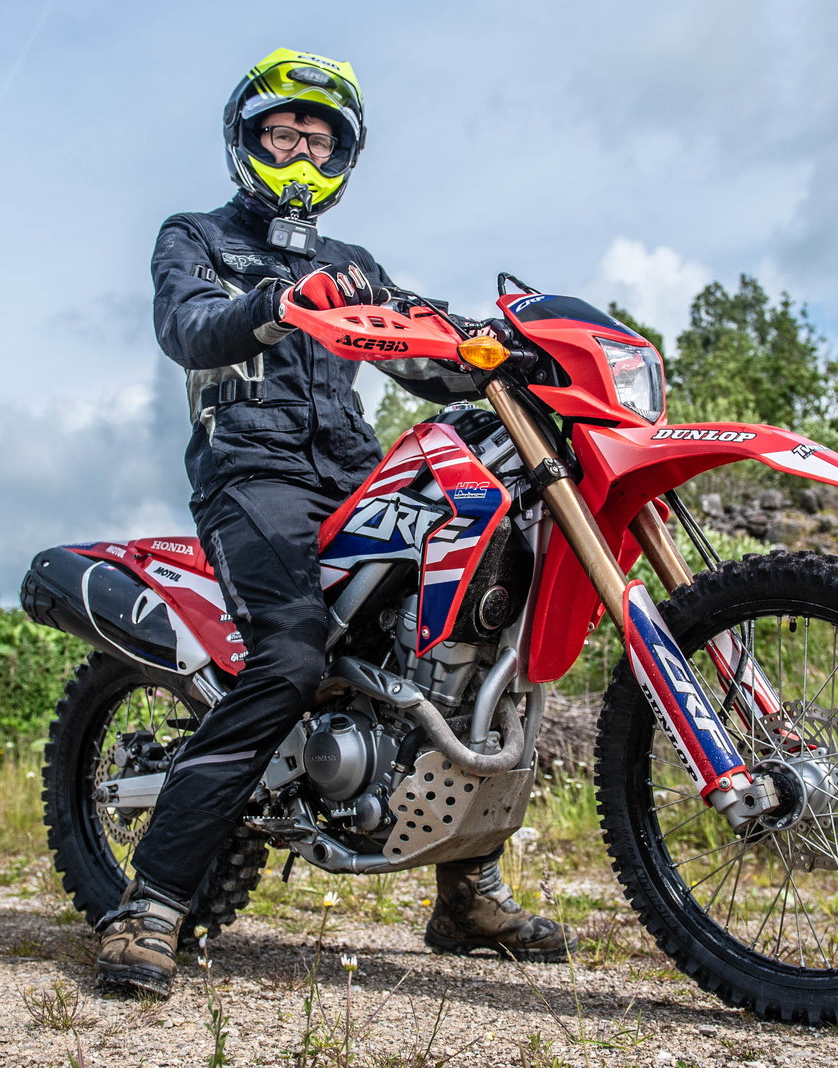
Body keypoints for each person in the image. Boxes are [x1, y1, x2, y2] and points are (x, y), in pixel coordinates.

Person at [95, 48, 575, 997]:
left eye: (320, 140)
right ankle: (149, 905)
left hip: (354, 473)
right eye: (285, 134)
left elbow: (426, 356)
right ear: (248, 140)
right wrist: (274, 303)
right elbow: (188, 326)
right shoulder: (194, 235)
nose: (302, 155)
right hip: (252, 474)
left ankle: (467, 890)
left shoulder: (356, 266)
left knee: (470, 633)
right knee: (289, 658)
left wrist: (506, 354)